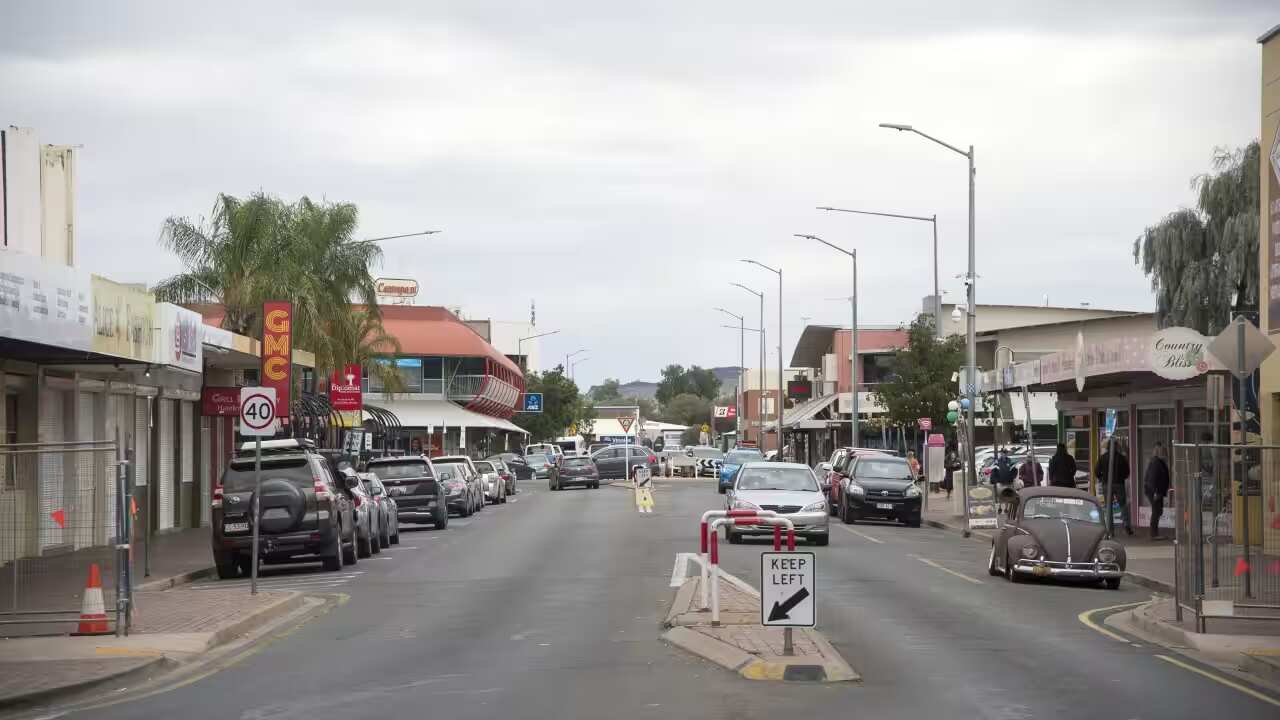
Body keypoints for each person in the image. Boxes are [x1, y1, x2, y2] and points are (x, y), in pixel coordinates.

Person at [1095, 440, 1133, 535]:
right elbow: (1127, 472)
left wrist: (1102, 478)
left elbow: (1096, 471)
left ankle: (1110, 530)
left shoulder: (1103, 457)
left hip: (1107, 484)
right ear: (1116, 447)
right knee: (1123, 505)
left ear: (1108, 447)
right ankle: (1126, 525)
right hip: (1119, 484)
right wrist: (1121, 477)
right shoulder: (1122, 458)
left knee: (1109, 507)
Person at [1143, 442, 1172, 540]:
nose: (1166, 454)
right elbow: (1152, 478)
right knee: (1156, 511)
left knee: (1158, 511)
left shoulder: (1159, 462)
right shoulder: (1156, 463)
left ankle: (1154, 533)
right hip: (1155, 491)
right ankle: (1153, 534)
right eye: (1164, 452)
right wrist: (1155, 492)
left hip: (1157, 491)